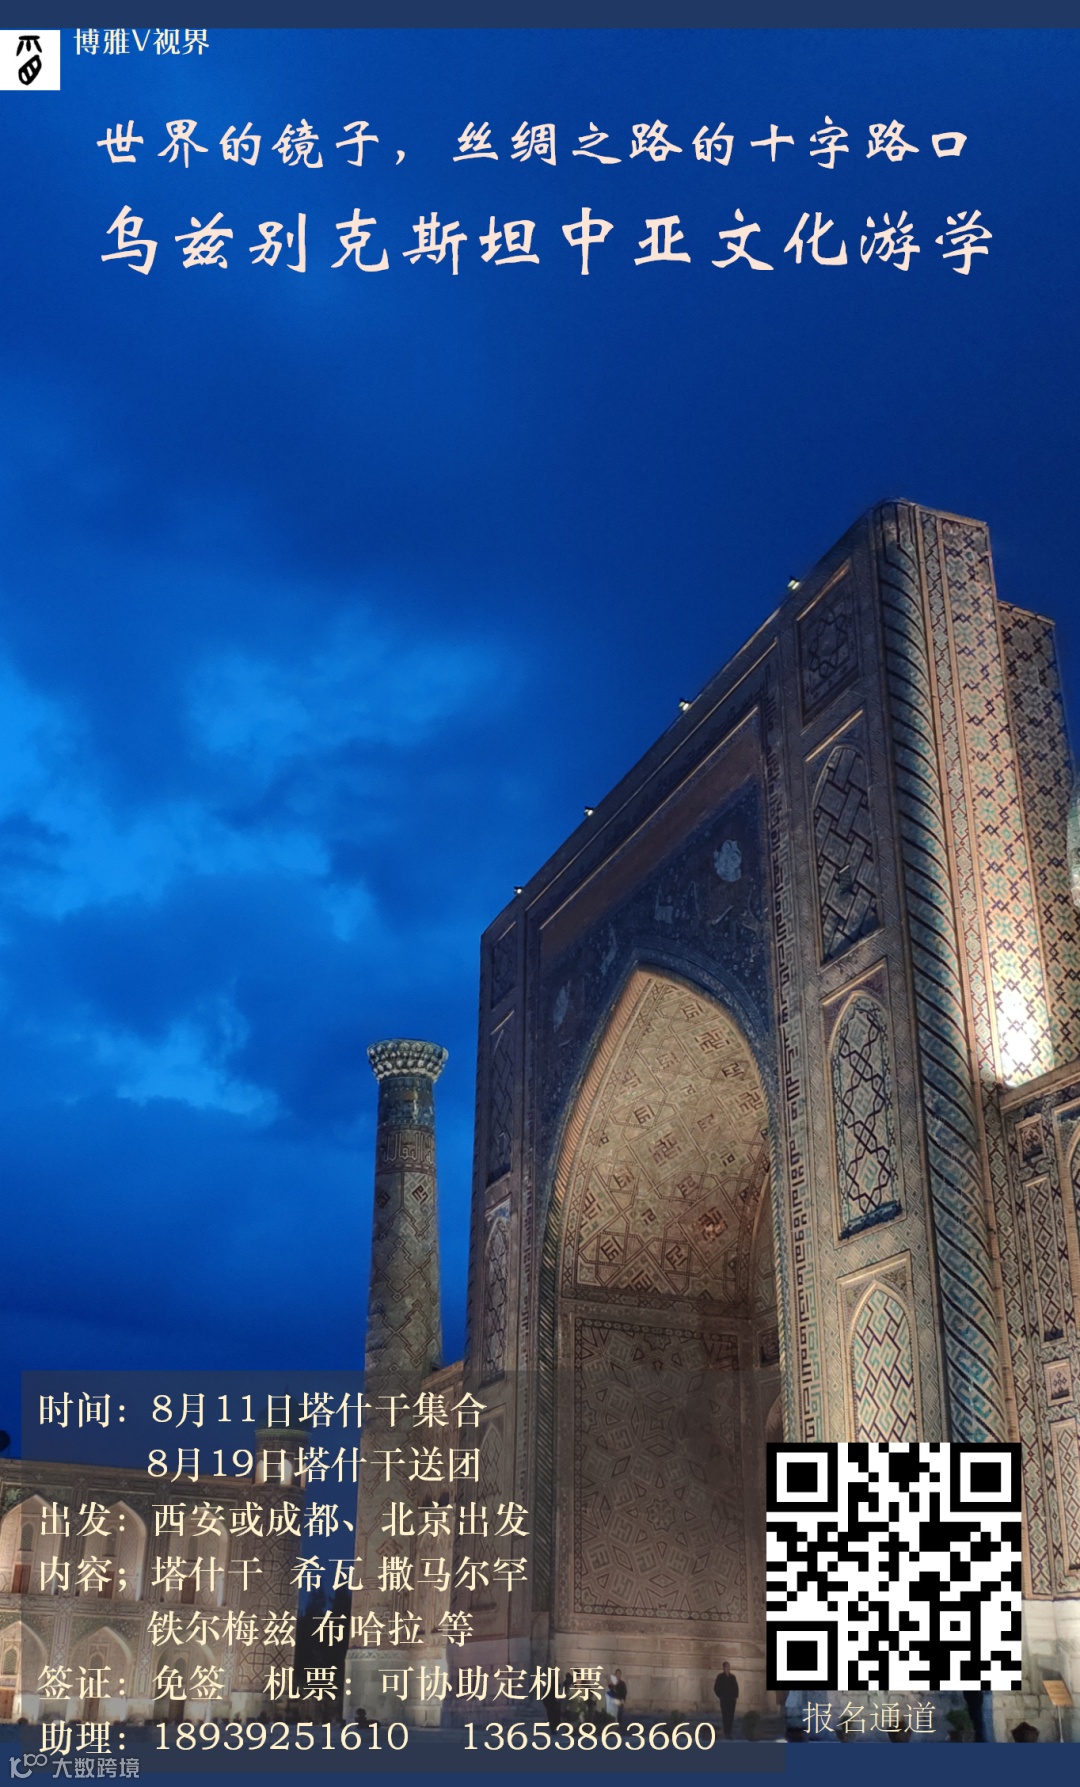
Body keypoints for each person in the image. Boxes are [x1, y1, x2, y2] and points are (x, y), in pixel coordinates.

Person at [714, 1661, 739, 1738]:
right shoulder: (720, 1677)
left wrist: (735, 1696)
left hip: (731, 1700)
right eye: (726, 1666)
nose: (728, 1668)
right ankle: (726, 1731)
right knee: (725, 1715)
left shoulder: (732, 1677)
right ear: (723, 1667)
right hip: (724, 1699)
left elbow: (736, 1687)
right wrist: (720, 1696)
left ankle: (729, 1731)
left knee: (731, 1715)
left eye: (728, 1666)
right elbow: (716, 1688)